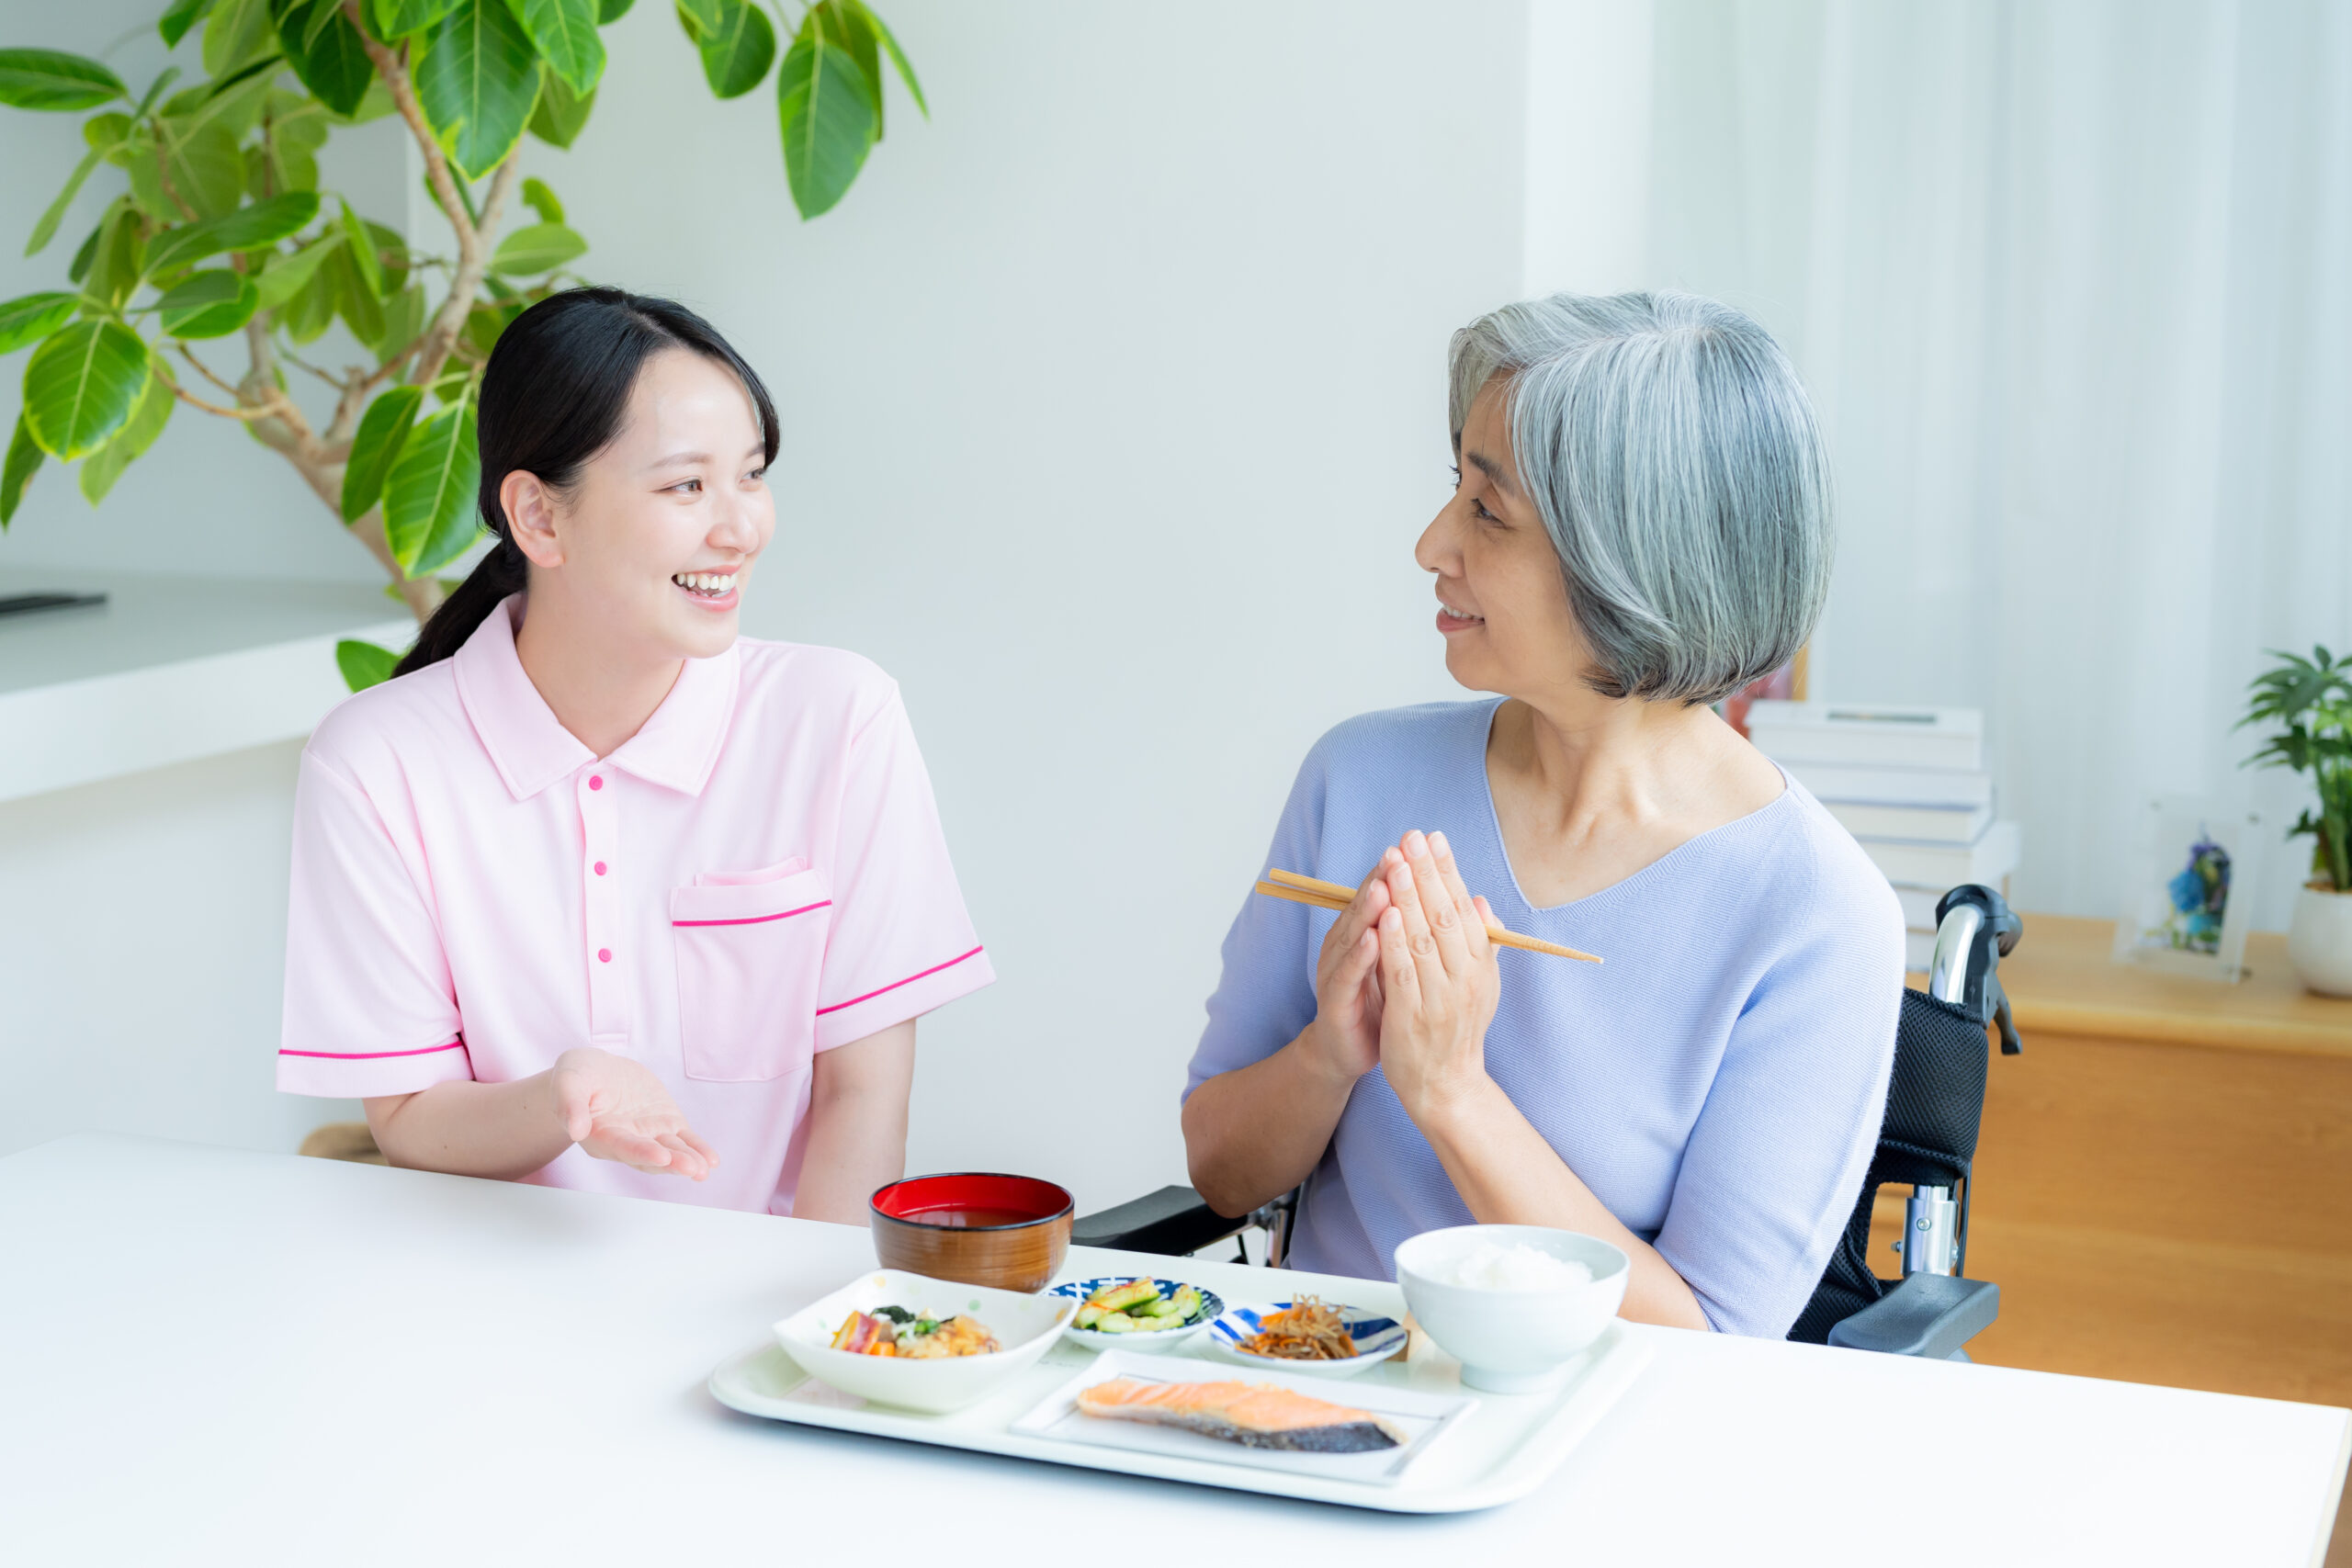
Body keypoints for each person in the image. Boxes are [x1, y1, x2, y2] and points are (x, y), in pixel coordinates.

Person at [1181, 291, 1902, 1337]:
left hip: (1591, 1456)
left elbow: (1713, 1344)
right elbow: (1219, 1175)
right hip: (1300, 1390)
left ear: (1636, 564)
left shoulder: (1817, 915)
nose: (1432, 544)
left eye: (1489, 511)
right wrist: (1330, 1055)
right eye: (1453, 491)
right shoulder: (1357, 776)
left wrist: (1453, 1094)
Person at [276, 288, 992, 1222]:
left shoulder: (838, 718)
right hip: (489, 1315)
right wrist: (561, 1099)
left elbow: (863, 1096)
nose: (739, 527)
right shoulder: (374, 762)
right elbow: (409, 1120)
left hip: (773, 1313)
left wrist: (809, 1345)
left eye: (751, 475)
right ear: (537, 516)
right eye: (686, 485)